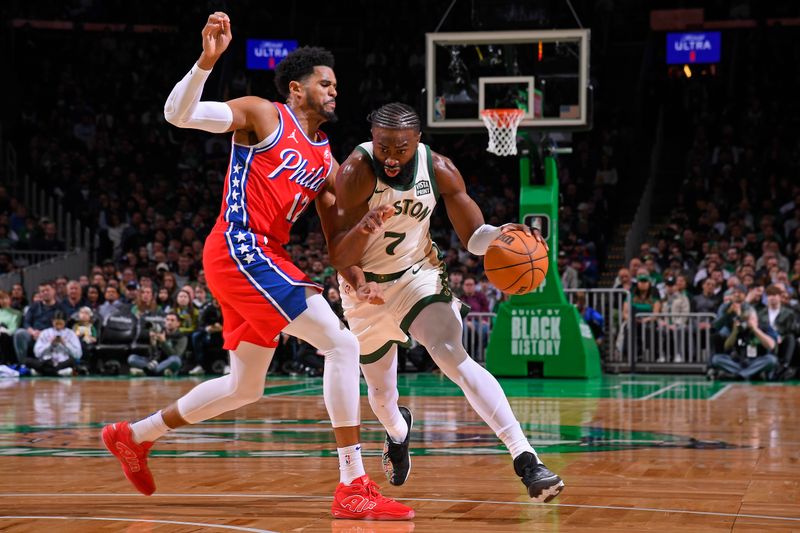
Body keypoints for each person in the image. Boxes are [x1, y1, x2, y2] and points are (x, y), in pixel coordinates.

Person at [101, 13, 412, 521]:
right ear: (297, 88)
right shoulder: (263, 115)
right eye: (325, 84)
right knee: (342, 344)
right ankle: (352, 483)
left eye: (337, 85)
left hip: (265, 257)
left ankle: (134, 436)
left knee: (245, 386)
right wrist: (206, 62)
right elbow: (178, 115)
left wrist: (359, 256)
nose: (335, 92)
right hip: (240, 246)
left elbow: (337, 238)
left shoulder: (325, 158)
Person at [328, 102, 564, 503]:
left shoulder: (439, 169)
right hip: (364, 288)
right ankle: (399, 431)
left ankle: (527, 460)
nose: (390, 156)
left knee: (451, 353)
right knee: (383, 398)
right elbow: (339, 254)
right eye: (383, 146)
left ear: (418, 141)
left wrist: (503, 233)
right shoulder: (354, 171)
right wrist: (366, 229)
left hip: (417, 276)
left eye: (400, 148)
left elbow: (474, 237)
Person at [128, 312, 187, 376]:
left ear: (178, 323)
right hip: (156, 362)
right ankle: (160, 371)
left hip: (168, 361)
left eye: (172, 320)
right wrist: (153, 343)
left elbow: (175, 355)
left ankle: (148, 371)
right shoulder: (160, 332)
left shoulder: (182, 337)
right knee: (132, 358)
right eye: (167, 320)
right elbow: (153, 355)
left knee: (176, 360)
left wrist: (163, 342)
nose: (169, 322)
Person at [26, 311, 81, 376]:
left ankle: (43, 372)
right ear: (52, 321)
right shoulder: (45, 332)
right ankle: (58, 372)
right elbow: (37, 353)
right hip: (47, 361)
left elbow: (78, 354)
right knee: (27, 360)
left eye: (60, 323)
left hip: (63, 362)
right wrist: (50, 344)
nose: (58, 326)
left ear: (65, 322)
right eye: (56, 323)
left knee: (73, 361)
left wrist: (65, 344)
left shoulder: (71, 334)